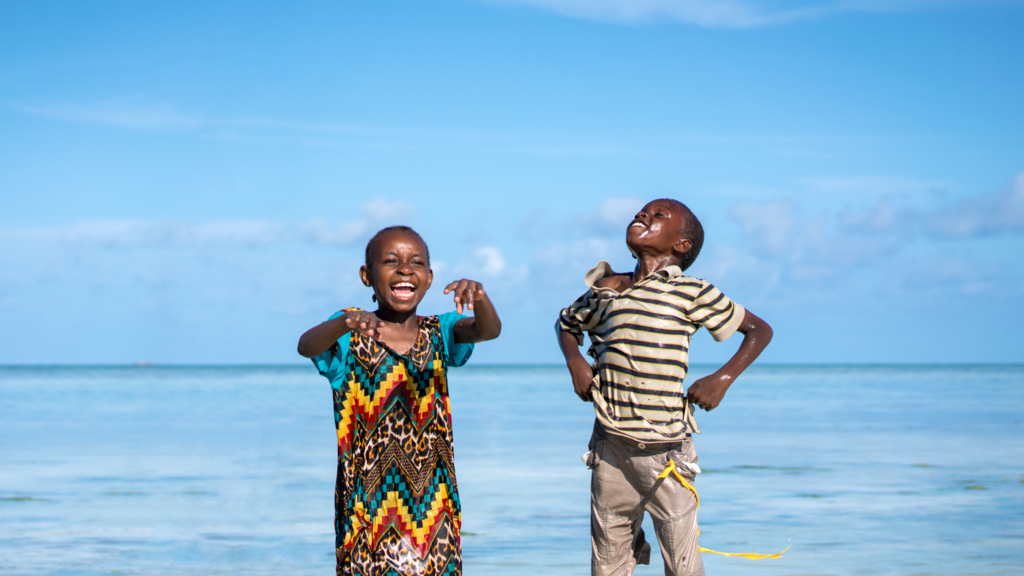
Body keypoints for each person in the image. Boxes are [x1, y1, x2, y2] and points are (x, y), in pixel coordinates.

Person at [556, 199, 774, 576]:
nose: (643, 216)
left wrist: (721, 379)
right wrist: (576, 362)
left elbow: (759, 330)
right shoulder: (609, 288)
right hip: (611, 448)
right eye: (642, 212)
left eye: (659, 216)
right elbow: (566, 325)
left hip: (667, 453)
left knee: (683, 564)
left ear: (681, 245)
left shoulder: (692, 292)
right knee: (608, 564)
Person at [298, 225, 501, 576]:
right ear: (367, 276)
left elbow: (488, 330)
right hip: (366, 517)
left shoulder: (440, 331)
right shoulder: (350, 331)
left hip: (435, 511)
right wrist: (345, 324)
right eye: (391, 261)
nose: (405, 269)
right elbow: (306, 346)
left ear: (429, 277)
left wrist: (480, 298)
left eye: (416, 262)